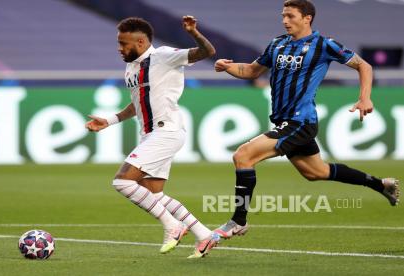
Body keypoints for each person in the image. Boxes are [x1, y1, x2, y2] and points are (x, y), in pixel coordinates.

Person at [213, 0, 400, 239]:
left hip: (300, 121)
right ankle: (381, 184)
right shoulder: (277, 44)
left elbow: (364, 66)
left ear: (307, 18)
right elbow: (251, 71)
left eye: (290, 16)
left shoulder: (323, 45)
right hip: (284, 121)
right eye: (283, 16)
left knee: (243, 155)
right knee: (316, 172)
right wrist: (226, 67)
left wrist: (365, 98)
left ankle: (238, 221)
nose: (284, 20)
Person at [86, 16, 220, 258]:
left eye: (124, 43)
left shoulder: (163, 56)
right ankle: (204, 234)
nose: (120, 48)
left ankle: (173, 226)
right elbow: (137, 103)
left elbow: (207, 51)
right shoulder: (132, 66)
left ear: (140, 41)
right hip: (150, 135)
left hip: (166, 131)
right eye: (119, 43)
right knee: (154, 194)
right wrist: (110, 120)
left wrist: (193, 33)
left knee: (122, 181)